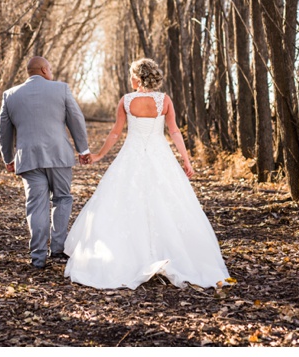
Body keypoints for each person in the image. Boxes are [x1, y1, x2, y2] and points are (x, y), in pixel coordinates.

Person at [64, 58, 230, 289]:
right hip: (159, 156)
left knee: (124, 201)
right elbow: (174, 131)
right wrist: (186, 160)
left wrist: (100, 155)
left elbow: (115, 133)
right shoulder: (164, 100)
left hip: (130, 157)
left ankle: (128, 256)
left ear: (137, 78)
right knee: (167, 201)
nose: (130, 79)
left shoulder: (126, 100)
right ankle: (168, 253)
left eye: (132, 75)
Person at [0, 56, 91, 269]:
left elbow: (3, 130)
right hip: (58, 156)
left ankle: (38, 257)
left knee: (36, 205)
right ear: (43, 70)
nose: (51, 72)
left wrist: (8, 158)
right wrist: (83, 149)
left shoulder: (10, 95)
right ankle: (57, 250)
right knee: (62, 198)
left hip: (28, 158)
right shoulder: (61, 89)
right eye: (50, 68)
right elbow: (76, 119)